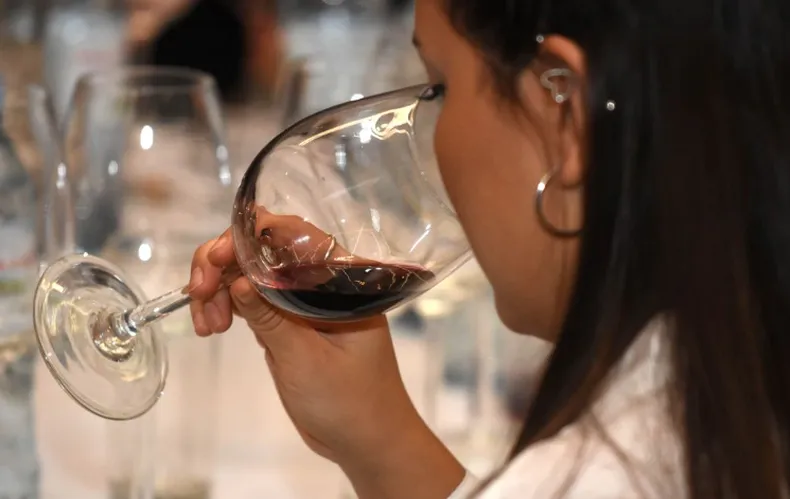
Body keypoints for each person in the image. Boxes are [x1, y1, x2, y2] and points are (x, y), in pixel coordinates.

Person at [187, 0, 790, 497]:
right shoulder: (724, 386)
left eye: (441, 88)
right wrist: (379, 441)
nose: (424, 136)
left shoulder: (606, 472)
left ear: (562, 110)